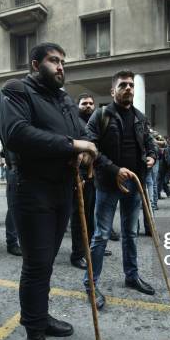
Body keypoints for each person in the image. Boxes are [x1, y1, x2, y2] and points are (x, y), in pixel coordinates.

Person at [0, 42, 97, 340]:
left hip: (62, 190)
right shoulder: (15, 90)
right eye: (54, 61)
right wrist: (71, 146)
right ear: (36, 63)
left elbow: (84, 138)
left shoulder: (64, 99)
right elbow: (16, 134)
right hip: (31, 190)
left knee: (47, 262)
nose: (61, 67)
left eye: (63, 62)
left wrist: (111, 168)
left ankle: (41, 316)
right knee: (36, 266)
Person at [84, 69, 158, 310]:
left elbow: (149, 143)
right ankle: (91, 285)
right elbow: (91, 148)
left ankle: (132, 276)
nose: (128, 88)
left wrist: (152, 157)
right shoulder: (101, 115)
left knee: (131, 233)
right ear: (112, 90)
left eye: (131, 85)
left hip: (135, 183)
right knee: (101, 235)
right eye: (123, 85)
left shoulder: (140, 117)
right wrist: (114, 169)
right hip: (108, 183)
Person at [69, 93, 96, 269]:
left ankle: (90, 248)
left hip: (93, 176)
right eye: (84, 103)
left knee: (90, 214)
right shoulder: (73, 123)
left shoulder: (94, 123)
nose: (88, 106)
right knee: (79, 216)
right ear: (78, 105)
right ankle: (77, 254)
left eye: (91, 103)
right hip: (79, 176)